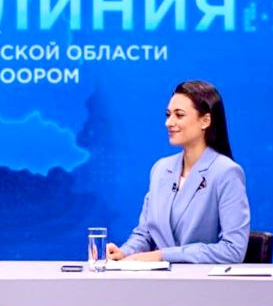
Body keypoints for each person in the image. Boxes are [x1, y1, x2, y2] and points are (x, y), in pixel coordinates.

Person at [107, 80, 250, 264]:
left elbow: (233, 250)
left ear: (205, 121)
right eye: (168, 115)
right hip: (158, 280)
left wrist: (163, 255)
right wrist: (124, 252)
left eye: (179, 115)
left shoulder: (226, 172)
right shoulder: (160, 169)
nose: (169, 122)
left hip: (201, 280)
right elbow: (146, 234)